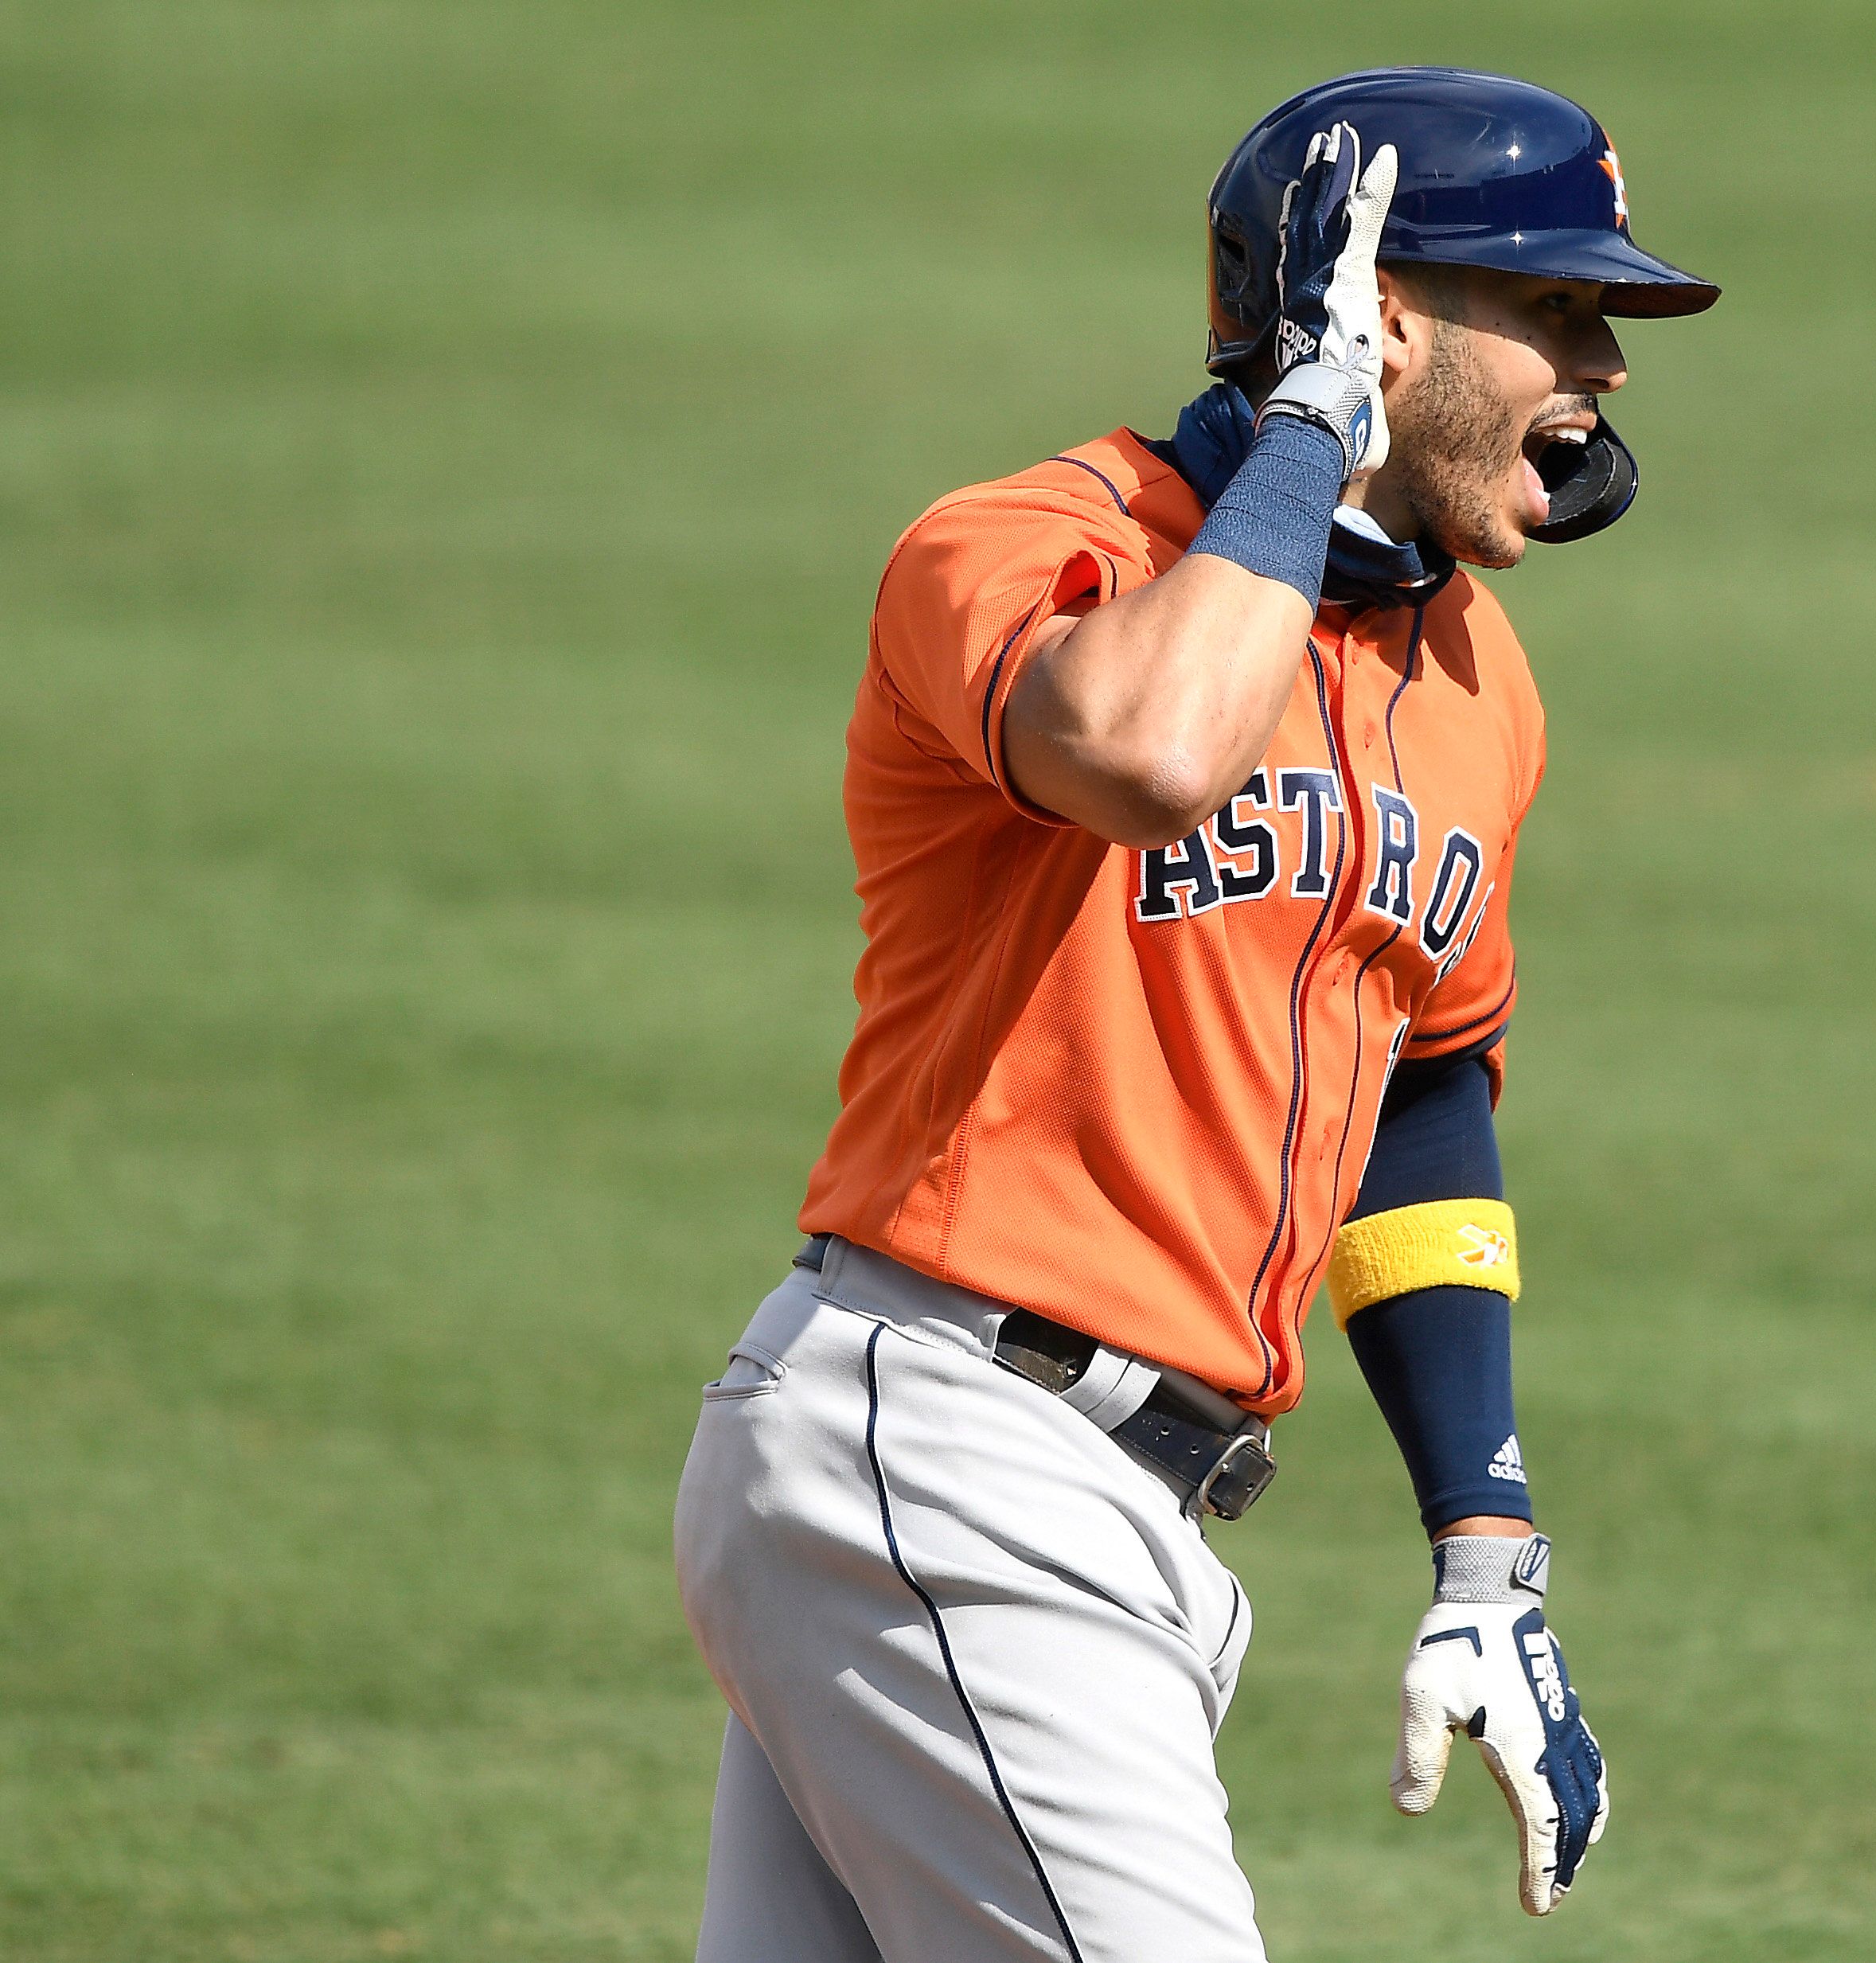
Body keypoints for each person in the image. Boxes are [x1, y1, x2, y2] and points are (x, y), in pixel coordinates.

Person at [671, 66, 1718, 1963]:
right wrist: (1309, 437)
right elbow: (1146, 752)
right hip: (956, 1457)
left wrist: (1484, 1540)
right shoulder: (1031, 545)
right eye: (1560, 311)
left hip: (1115, 1517)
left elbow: (1426, 1089)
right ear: (1377, 311)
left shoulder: (1478, 683)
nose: (1606, 371)